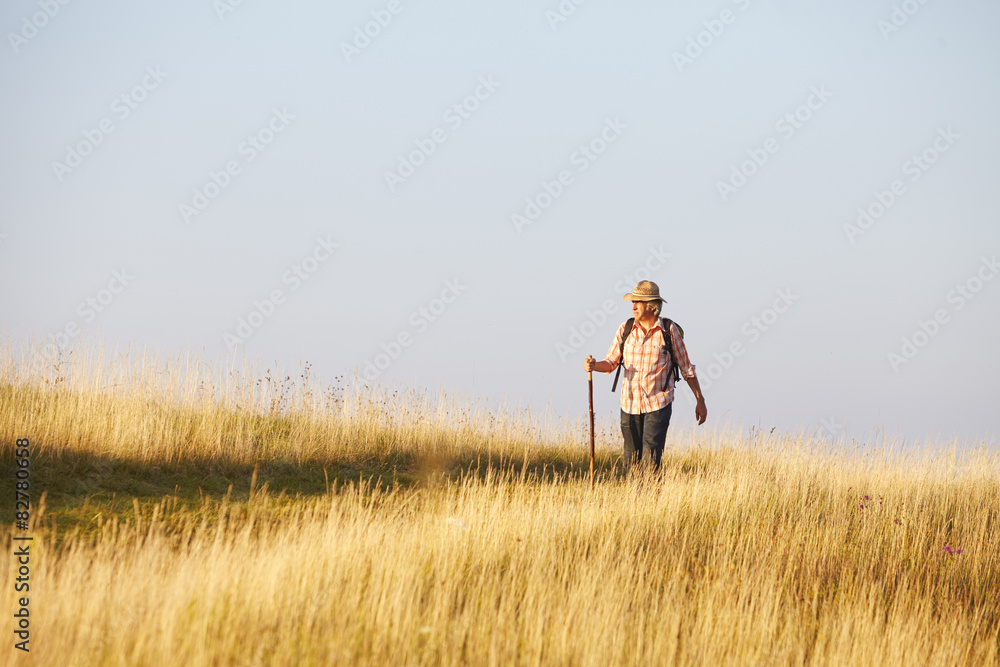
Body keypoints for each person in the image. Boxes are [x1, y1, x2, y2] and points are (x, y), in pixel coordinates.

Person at [585, 280, 707, 471]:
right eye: (633, 302)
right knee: (630, 461)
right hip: (629, 404)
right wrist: (594, 366)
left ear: (651, 306)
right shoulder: (625, 329)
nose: (633, 306)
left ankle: (651, 498)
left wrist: (700, 400)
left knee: (651, 460)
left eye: (638, 302)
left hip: (658, 404)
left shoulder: (669, 330)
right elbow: (610, 363)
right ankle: (634, 499)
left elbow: (686, 368)